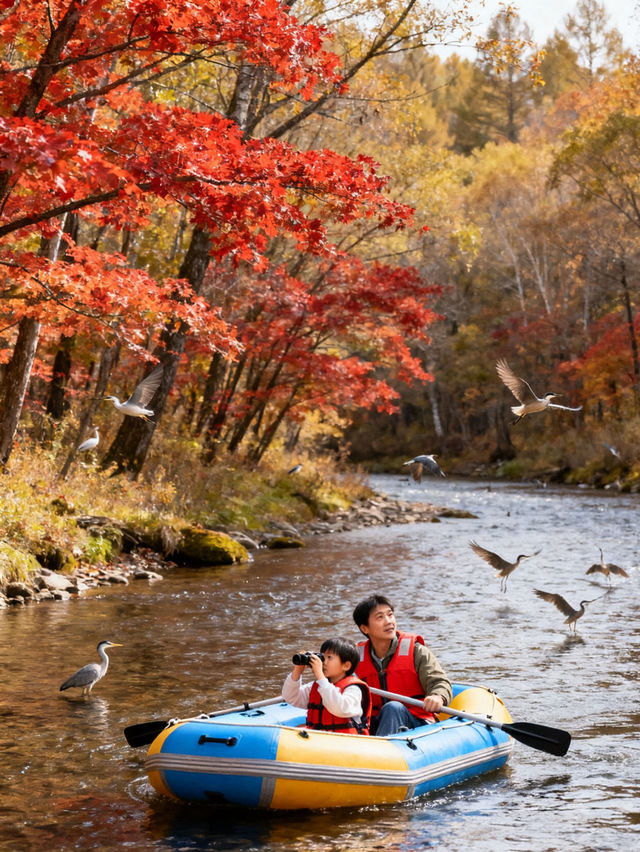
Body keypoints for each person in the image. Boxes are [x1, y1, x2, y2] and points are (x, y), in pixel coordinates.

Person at [353, 594, 452, 736]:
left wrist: (438, 696)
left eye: (390, 615)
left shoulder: (416, 651)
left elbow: (439, 681)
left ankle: (382, 754)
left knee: (393, 708)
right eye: (380, 617)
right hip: (376, 721)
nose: (389, 622)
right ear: (365, 628)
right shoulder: (355, 656)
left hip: (417, 721)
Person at [282, 636, 371, 734]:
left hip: (345, 742)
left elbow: (340, 709)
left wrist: (320, 676)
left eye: (329, 657)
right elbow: (291, 697)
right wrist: (297, 671)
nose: (323, 662)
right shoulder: (318, 686)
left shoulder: (353, 689)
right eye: (322, 657)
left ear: (346, 665)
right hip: (320, 739)